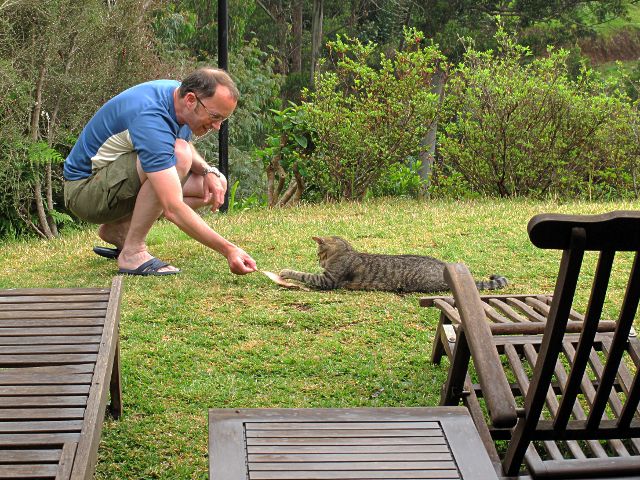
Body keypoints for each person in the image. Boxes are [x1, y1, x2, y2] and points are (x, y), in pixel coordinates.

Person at [63, 67, 257, 276]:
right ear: (191, 100)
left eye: (223, 120)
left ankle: (119, 229)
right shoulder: (151, 117)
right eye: (215, 116)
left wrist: (208, 170)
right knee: (179, 156)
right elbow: (172, 207)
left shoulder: (178, 98)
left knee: (211, 185)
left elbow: (180, 142)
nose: (218, 126)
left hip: (109, 185)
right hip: (84, 192)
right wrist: (229, 250)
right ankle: (132, 253)